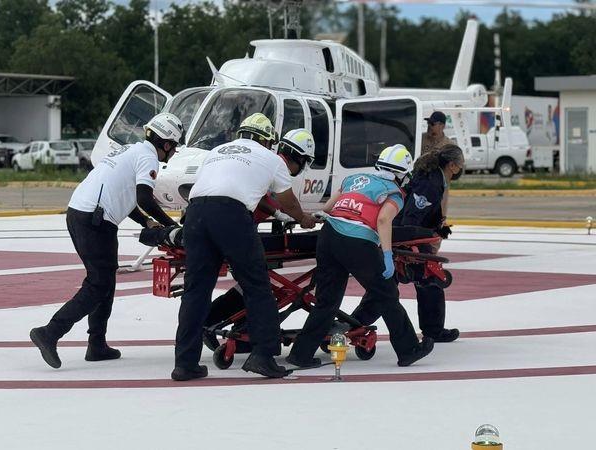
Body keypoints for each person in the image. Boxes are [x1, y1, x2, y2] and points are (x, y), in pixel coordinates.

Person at [30, 113, 184, 368]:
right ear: (166, 143)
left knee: (105, 279)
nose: (174, 152)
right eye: (174, 146)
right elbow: (144, 198)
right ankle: (50, 332)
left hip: (81, 212)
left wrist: (146, 222)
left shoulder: (129, 150)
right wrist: (172, 226)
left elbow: (126, 195)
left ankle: (97, 344)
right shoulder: (147, 157)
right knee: (98, 284)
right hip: (95, 220)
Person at [172, 116, 317, 381]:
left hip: (195, 214)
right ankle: (263, 356)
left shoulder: (217, 151)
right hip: (230, 215)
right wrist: (305, 220)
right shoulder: (271, 158)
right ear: (267, 140)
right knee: (257, 286)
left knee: (196, 290)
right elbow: (288, 203)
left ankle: (185, 363)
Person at [287, 145, 434, 368]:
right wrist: (386, 254)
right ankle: (409, 349)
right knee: (387, 294)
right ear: (402, 174)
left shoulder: (354, 178)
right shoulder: (394, 193)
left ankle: (300, 354)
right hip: (357, 242)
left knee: (327, 301)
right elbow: (383, 220)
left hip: (328, 236)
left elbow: (328, 207)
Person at [353, 144, 465, 343]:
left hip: (400, 232)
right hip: (404, 235)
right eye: (461, 164)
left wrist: (436, 228)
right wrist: (411, 246)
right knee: (429, 278)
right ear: (453, 166)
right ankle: (433, 330)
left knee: (388, 287)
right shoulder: (431, 182)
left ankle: (355, 324)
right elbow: (412, 216)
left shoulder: (430, 175)